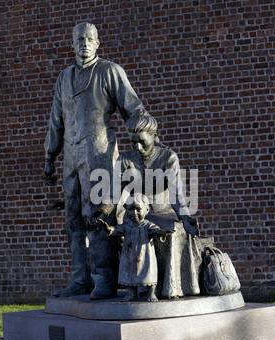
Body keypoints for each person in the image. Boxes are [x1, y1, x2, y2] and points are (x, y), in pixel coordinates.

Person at [44, 22, 147, 298]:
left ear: (98, 43)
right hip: (71, 157)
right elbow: (56, 120)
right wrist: (50, 155)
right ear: (72, 43)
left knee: (99, 215)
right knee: (73, 218)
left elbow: (133, 107)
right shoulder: (64, 78)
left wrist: (143, 134)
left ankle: (104, 278)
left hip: (100, 153)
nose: (84, 43)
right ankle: (80, 278)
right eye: (79, 39)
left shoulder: (109, 72)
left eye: (89, 39)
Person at [116, 112, 201, 298]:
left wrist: (185, 217)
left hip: (164, 213)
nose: (137, 147)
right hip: (135, 214)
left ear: (154, 137)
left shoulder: (168, 158)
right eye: (132, 143)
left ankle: (169, 288)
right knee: (124, 231)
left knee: (171, 231)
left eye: (142, 142)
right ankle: (130, 287)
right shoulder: (124, 160)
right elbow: (114, 196)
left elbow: (176, 195)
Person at [99, 193, 172, 302]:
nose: (134, 213)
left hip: (145, 255)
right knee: (128, 273)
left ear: (147, 210)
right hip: (129, 256)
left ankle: (151, 293)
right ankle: (131, 293)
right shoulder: (127, 226)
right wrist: (108, 228)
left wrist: (161, 232)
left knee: (148, 272)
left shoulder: (147, 225)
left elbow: (155, 230)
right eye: (130, 209)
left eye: (138, 209)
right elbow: (116, 230)